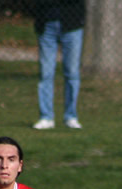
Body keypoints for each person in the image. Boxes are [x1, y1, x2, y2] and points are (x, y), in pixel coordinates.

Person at [31, 0, 85, 130]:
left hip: (72, 25)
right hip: (46, 25)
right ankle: (46, 117)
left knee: (72, 73)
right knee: (46, 74)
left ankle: (71, 116)